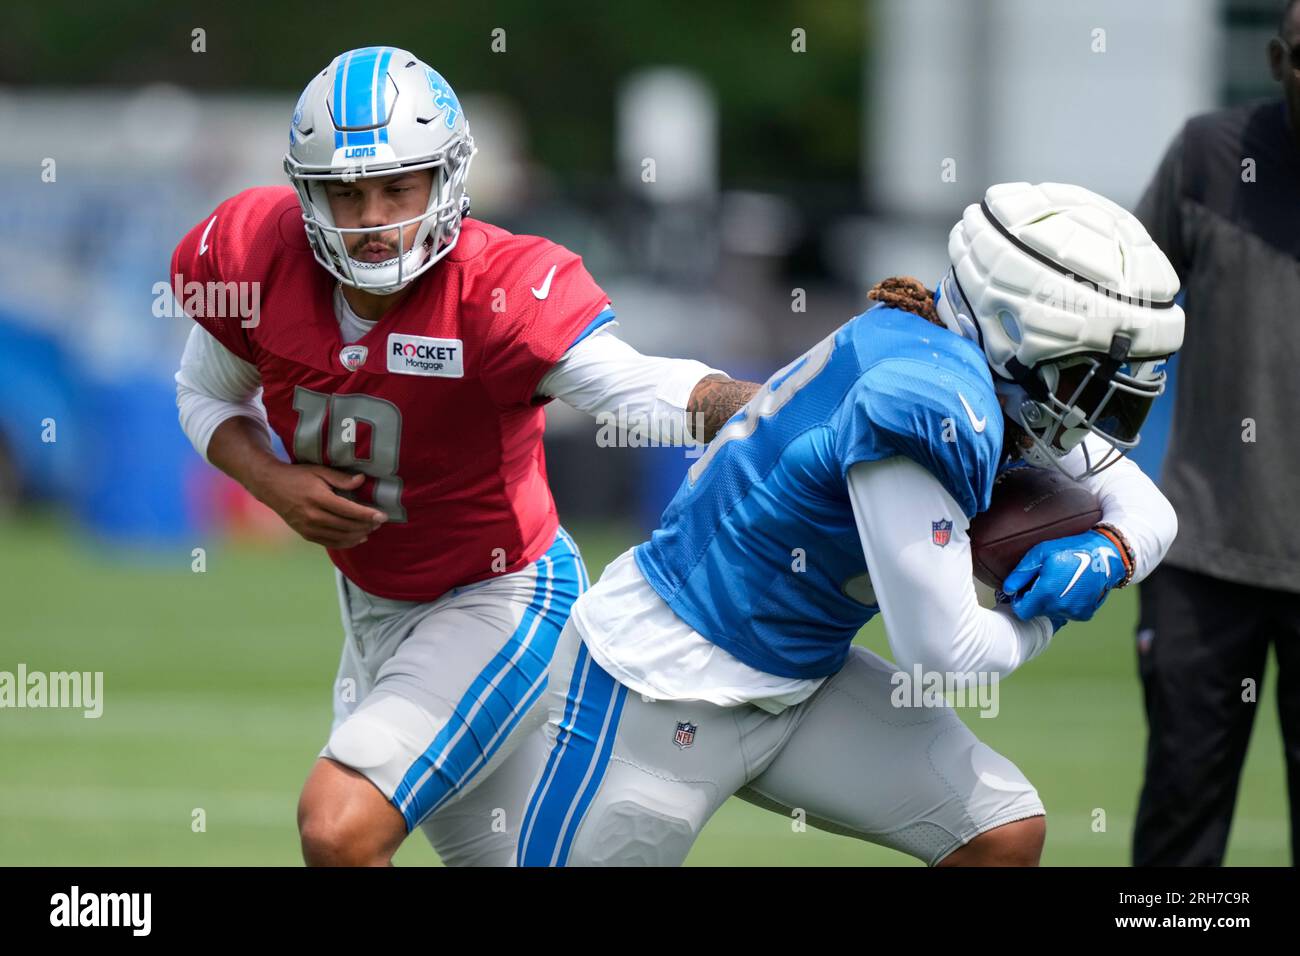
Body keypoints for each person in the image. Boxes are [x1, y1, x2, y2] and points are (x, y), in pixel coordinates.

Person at [170, 46, 758, 866]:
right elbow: (203, 394)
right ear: (309, 195)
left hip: (500, 595)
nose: (372, 220)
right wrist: (271, 481)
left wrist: (785, 410)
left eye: (396, 188)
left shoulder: (496, 291)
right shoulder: (258, 261)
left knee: (339, 828)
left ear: (446, 179)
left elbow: (642, 389)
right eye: (347, 194)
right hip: (375, 610)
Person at [515, 182, 1183, 867]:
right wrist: (1046, 614)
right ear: (1019, 331)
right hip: (660, 687)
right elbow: (946, 655)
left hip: (803, 682)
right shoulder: (930, 402)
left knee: (1000, 833)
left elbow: (1152, 510)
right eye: (1089, 374)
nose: (1096, 407)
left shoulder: (965, 355)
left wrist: (1109, 552)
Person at [1131, 0, 1300, 866]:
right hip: (1200, 559)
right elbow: (1113, 314)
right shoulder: (1206, 156)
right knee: (1178, 834)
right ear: (1278, 59)